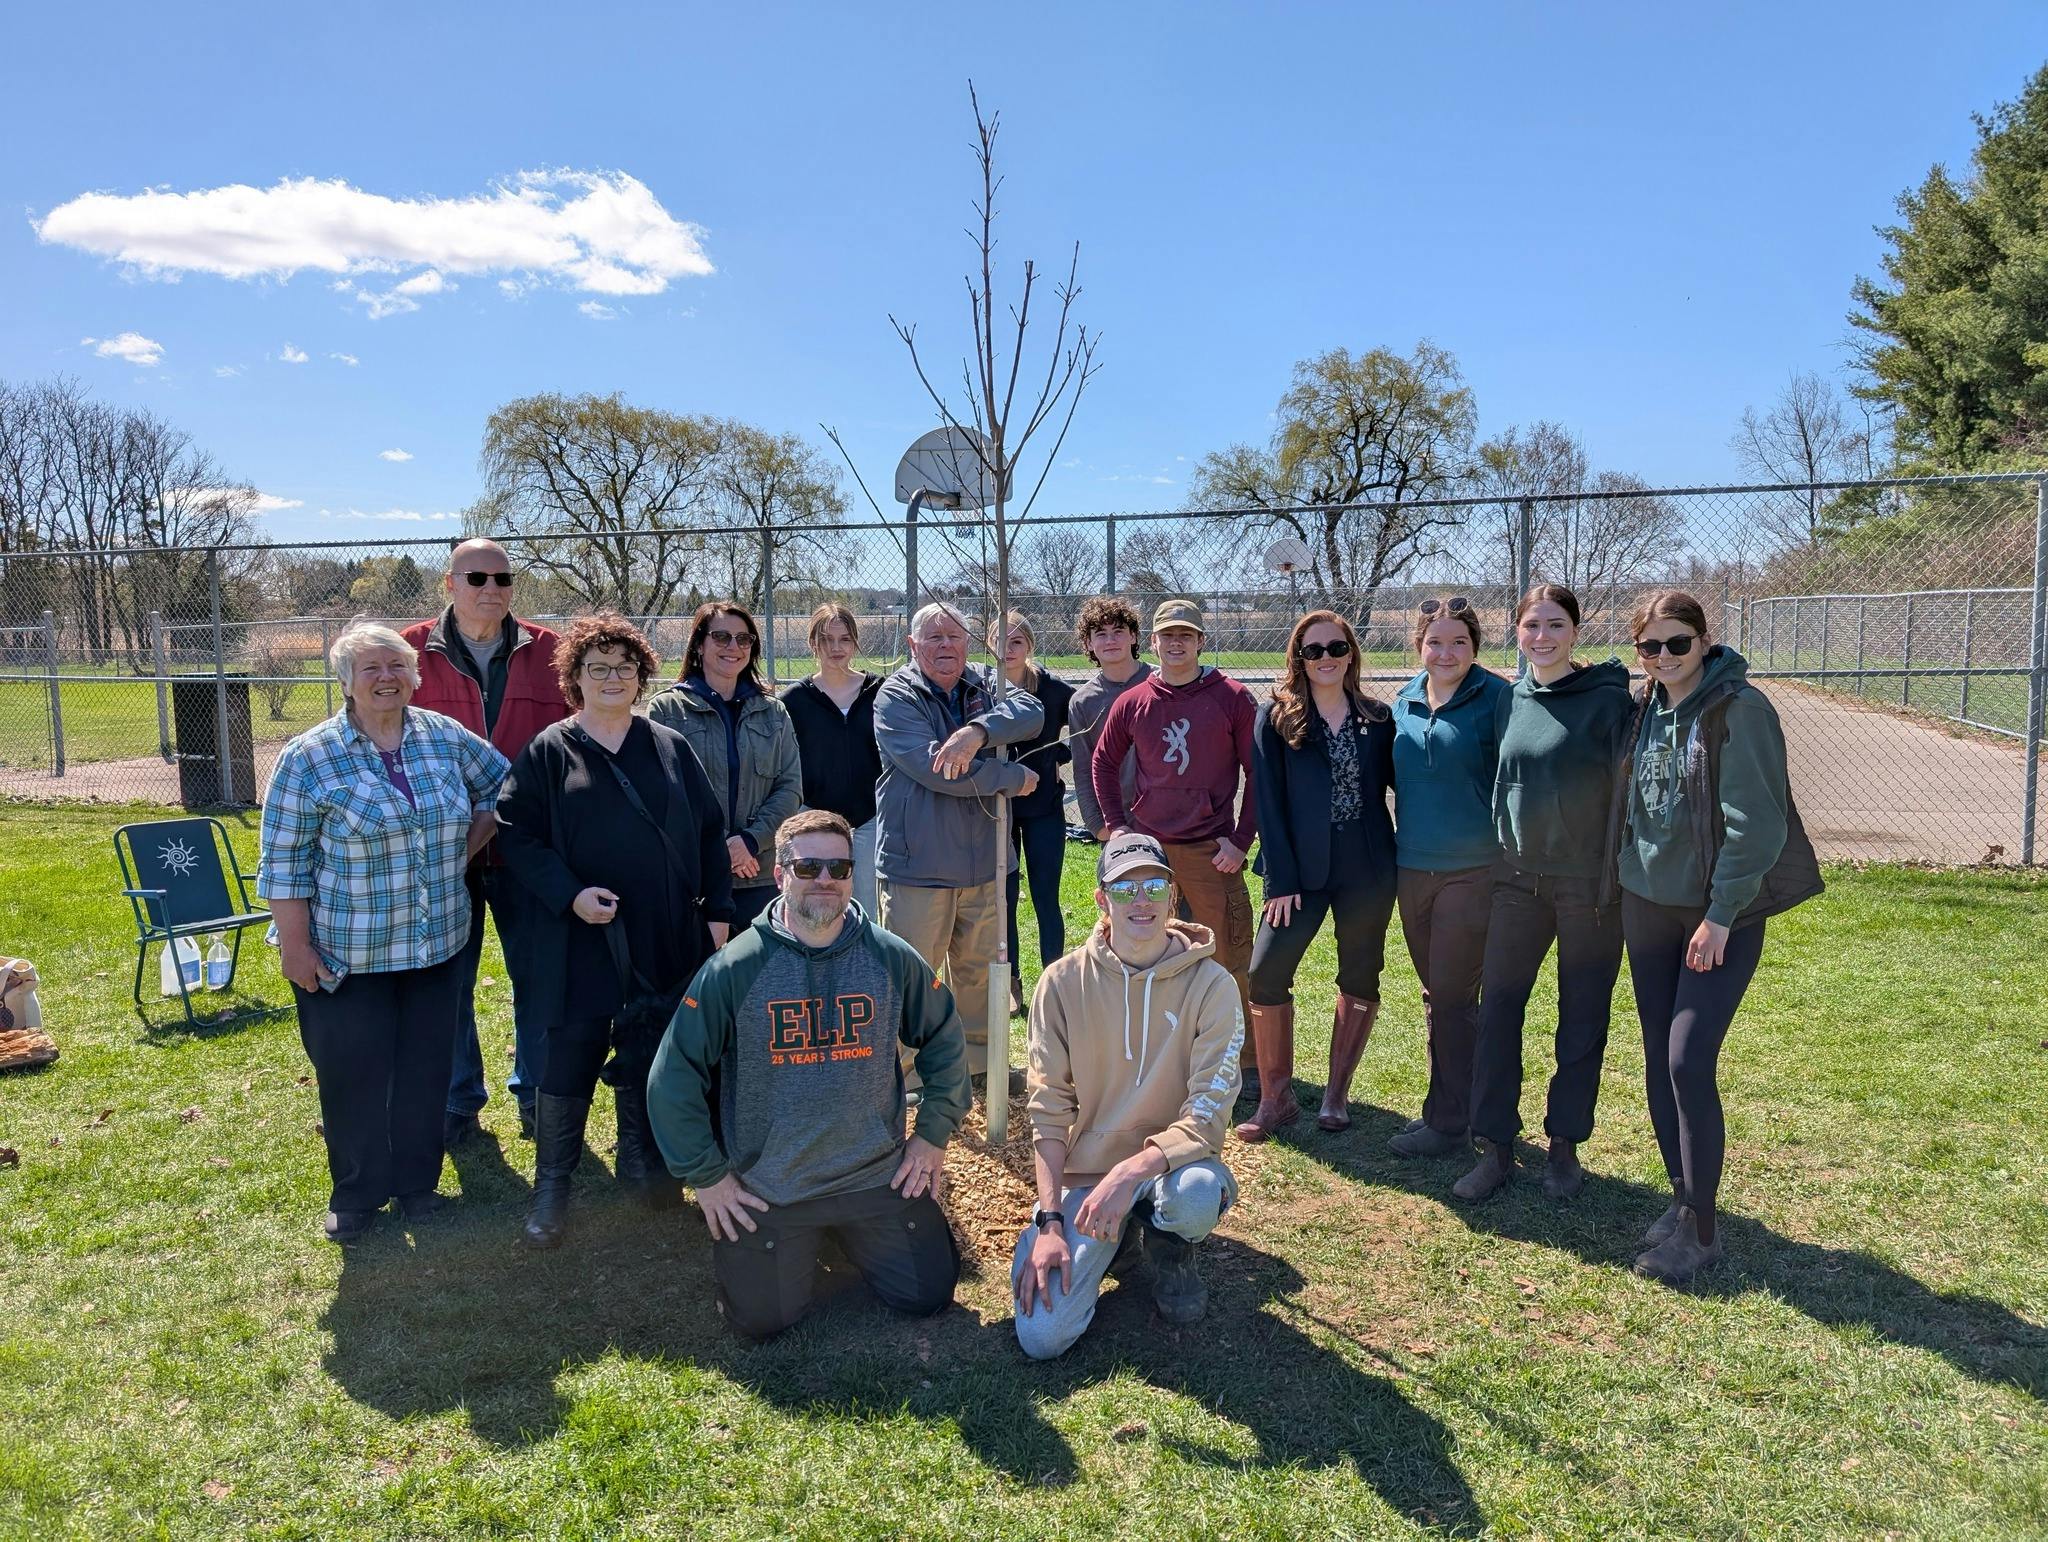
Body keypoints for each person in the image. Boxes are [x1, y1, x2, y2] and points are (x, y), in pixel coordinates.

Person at [647, 810, 974, 1341]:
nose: (825, 879)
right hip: (773, 1186)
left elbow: (944, 1037)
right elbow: (673, 1076)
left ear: (852, 875)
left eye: (839, 866)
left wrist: (932, 1136)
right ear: (780, 875)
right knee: (761, 1321)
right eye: (808, 866)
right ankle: (810, 1240)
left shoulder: (890, 957)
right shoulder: (735, 968)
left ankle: (845, 1235)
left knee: (927, 1294)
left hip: (874, 1173)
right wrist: (706, 1176)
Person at [258, 623, 509, 1243]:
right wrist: (295, 945)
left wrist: (467, 847)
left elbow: (505, 782)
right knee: (353, 1074)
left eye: (396, 665)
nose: (386, 677)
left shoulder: (443, 737)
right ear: (345, 681)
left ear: (414, 675)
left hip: (436, 943)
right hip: (349, 951)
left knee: (426, 1070)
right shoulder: (309, 756)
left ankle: (418, 1188)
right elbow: (283, 860)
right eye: (369, 668)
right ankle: (358, 1194)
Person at [493, 614, 735, 1248]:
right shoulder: (551, 749)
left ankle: (646, 1161)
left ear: (641, 676)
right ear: (574, 677)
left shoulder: (667, 745)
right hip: (581, 936)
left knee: (658, 1050)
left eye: (623, 667)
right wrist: (571, 895)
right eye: (597, 668)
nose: (612, 678)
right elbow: (515, 831)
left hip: (665, 932)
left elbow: (710, 830)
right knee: (569, 1056)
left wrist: (717, 914)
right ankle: (552, 1191)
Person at [1617, 591, 1821, 1284]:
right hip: (1645, 903)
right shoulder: (1646, 705)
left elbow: (1756, 826)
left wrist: (1722, 913)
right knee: (1655, 1056)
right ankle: (1682, 1202)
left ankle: (1703, 1235)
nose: (1665, 657)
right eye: (1652, 646)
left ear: (1706, 641)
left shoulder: (1740, 710)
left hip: (1712, 918)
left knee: (1686, 1059)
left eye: (1679, 643)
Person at [1013, 832, 1243, 1358]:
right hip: (1086, 1179)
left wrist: (1129, 1172)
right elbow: (1048, 1112)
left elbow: (1207, 1114)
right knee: (1042, 1339)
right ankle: (1113, 1244)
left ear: (1173, 895)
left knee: (1199, 1193)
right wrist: (1050, 1223)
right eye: (1124, 888)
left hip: (1174, 1168)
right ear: (1101, 900)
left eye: (1154, 885)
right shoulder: (1060, 983)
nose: (1141, 901)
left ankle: (1170, 1248)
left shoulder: (1213, 986)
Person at [1456, 585, 1632, 1204]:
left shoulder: (1609, 702)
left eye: (1555, 625)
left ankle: (1564, 1145)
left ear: (1576, 631)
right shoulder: (1514, 696)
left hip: (1586, 884)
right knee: (1500, 1008)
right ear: (1519, 631)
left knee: (1581, 1014)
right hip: (1517, 881)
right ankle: (1496, 1146)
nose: (1542, 637)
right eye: (1532, 625)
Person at [402, 537, 570, 1148]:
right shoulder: (409, 652)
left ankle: (537, 1094)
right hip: (446, 851)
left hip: (531, 847)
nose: (491, 589)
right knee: (450, 978)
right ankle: (458, 1099)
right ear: (450, 583)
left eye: (503, 578)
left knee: (540, 976)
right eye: (477, 577)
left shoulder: (551, 653)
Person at [1089, 598, 1260, 1100]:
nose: (1177, 643)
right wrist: (1118, 827)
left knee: (1227, 954)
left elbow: (1260, 774)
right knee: (1143, 951)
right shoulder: (1135, 700)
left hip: (1211, 849)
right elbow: (1103, 762)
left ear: (1201, 642)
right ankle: (1152, 1054)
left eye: (1187, 635)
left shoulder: (1231, 697)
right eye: (1167, 635)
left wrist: (1239, 839)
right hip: (1150, 852)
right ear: (1154, 643)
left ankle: (1242, 1063)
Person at [1238, 611, 1397, 1140]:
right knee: (1266, 970)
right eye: (1313, 650)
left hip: (1368, 866)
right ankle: (1276, 1099)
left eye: (1335, 648)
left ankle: (1336, 1095)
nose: (1325, 658)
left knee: (1361, 972)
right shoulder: (1277, 718)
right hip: (1299, 872)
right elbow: (1268, 801)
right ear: (1298, 658)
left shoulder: (1377, 719)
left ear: (1350, 653)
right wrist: (1278, 880)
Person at [873, 602, 1045, 1086]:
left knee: (979, 976)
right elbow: (938, 769)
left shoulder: (984, 685)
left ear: (969, 642)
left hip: (984, 864)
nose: (945, 645)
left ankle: (980, 1069)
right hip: (919, 866)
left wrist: (976, 731)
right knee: (915, 978)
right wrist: (1010, 776)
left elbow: (1030, 709)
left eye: (954, 636)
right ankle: (907, 1077)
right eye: (933, 637)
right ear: (912, 645)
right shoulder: (895, 697)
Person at [1386, 597, 1511, 1159]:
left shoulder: (1495, 697)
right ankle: (1454, 1108)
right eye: (1435, 641)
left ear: (1475, 647)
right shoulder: (1404, 699)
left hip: (1472, 870)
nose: (1446, 652)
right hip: (1412, 867)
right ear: (1419, 645)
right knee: (1438, 995)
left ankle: (1452, 1122)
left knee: (1456, 996)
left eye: (1459, 641)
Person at [649, 601, 803, 930]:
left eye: (743, 639)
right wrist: (720, 848)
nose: (733, 647)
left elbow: (790, 789)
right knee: (699, 977)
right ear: (699, 644)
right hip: (695, 875)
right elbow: (665, 792)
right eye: (721, 637)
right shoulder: (666, 710)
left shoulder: (773, 712)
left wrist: (749, 841)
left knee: (761, 979)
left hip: (758, 873)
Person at [992, 611, 1074, 1017]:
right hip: (998, 810)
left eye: (1017, 643)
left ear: (1030, 647)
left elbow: (1086, 729)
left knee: (1046, 897)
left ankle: (1052, 980)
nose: (1007, 651)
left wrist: (1056, 756)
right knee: (1003, 900)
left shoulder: (1055, 691)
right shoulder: (983, 690)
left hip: (1043, 809)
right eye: (999, 641)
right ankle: (1012, 984)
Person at [783, 604, 885, 919]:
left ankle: (862, 968)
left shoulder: (879, 692)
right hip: (813, 817)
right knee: (814, 907)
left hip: (868, 819)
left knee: (865, 908)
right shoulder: (795, 700)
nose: (836, 648)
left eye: (844, 639)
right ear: (813, 643)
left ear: (855, 642)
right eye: (827, 639)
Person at [1066, 596, 1152, 843]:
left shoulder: (1162, 682)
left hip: (1169, 817)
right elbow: (1083, 769)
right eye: (1101, 633)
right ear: (1088, 643)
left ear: (1133, 636)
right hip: (1118, 822)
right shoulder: (1083, 701)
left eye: (1118, 631)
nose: (1110, 640)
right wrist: (1098, 825)